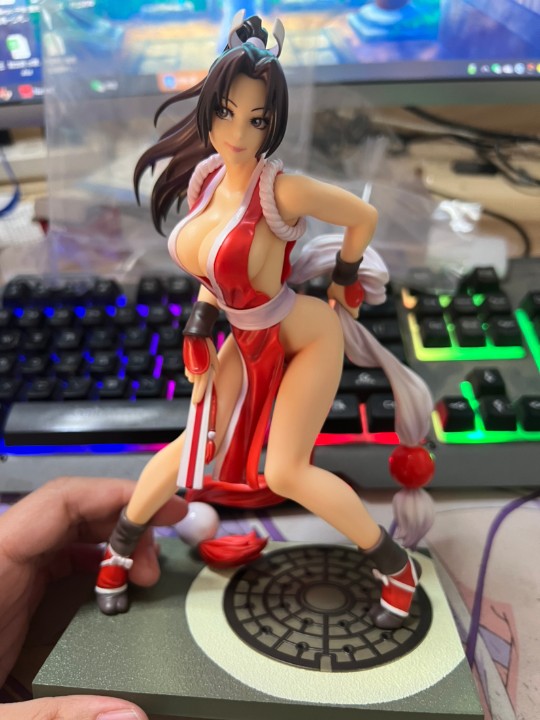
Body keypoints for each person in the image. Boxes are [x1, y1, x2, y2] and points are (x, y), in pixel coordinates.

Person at [96, 13, 434, 627]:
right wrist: (200, 324)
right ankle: (118, 548)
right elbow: (213, 275)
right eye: (227, 113)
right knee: (193, 445)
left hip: (303, 336)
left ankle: (396, 568)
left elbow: (363, 217)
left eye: (257, 120)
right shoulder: (205, 180)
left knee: (286, 471)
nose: (238, 132)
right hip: (243, 337)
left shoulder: (282, 191)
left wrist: (345, 277)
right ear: (208, 108)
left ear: (273, 123)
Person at [0, 476, 187, 720]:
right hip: (109, 580)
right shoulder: (115, 549)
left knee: (123, 585)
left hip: (116, 574)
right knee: (112, 589)